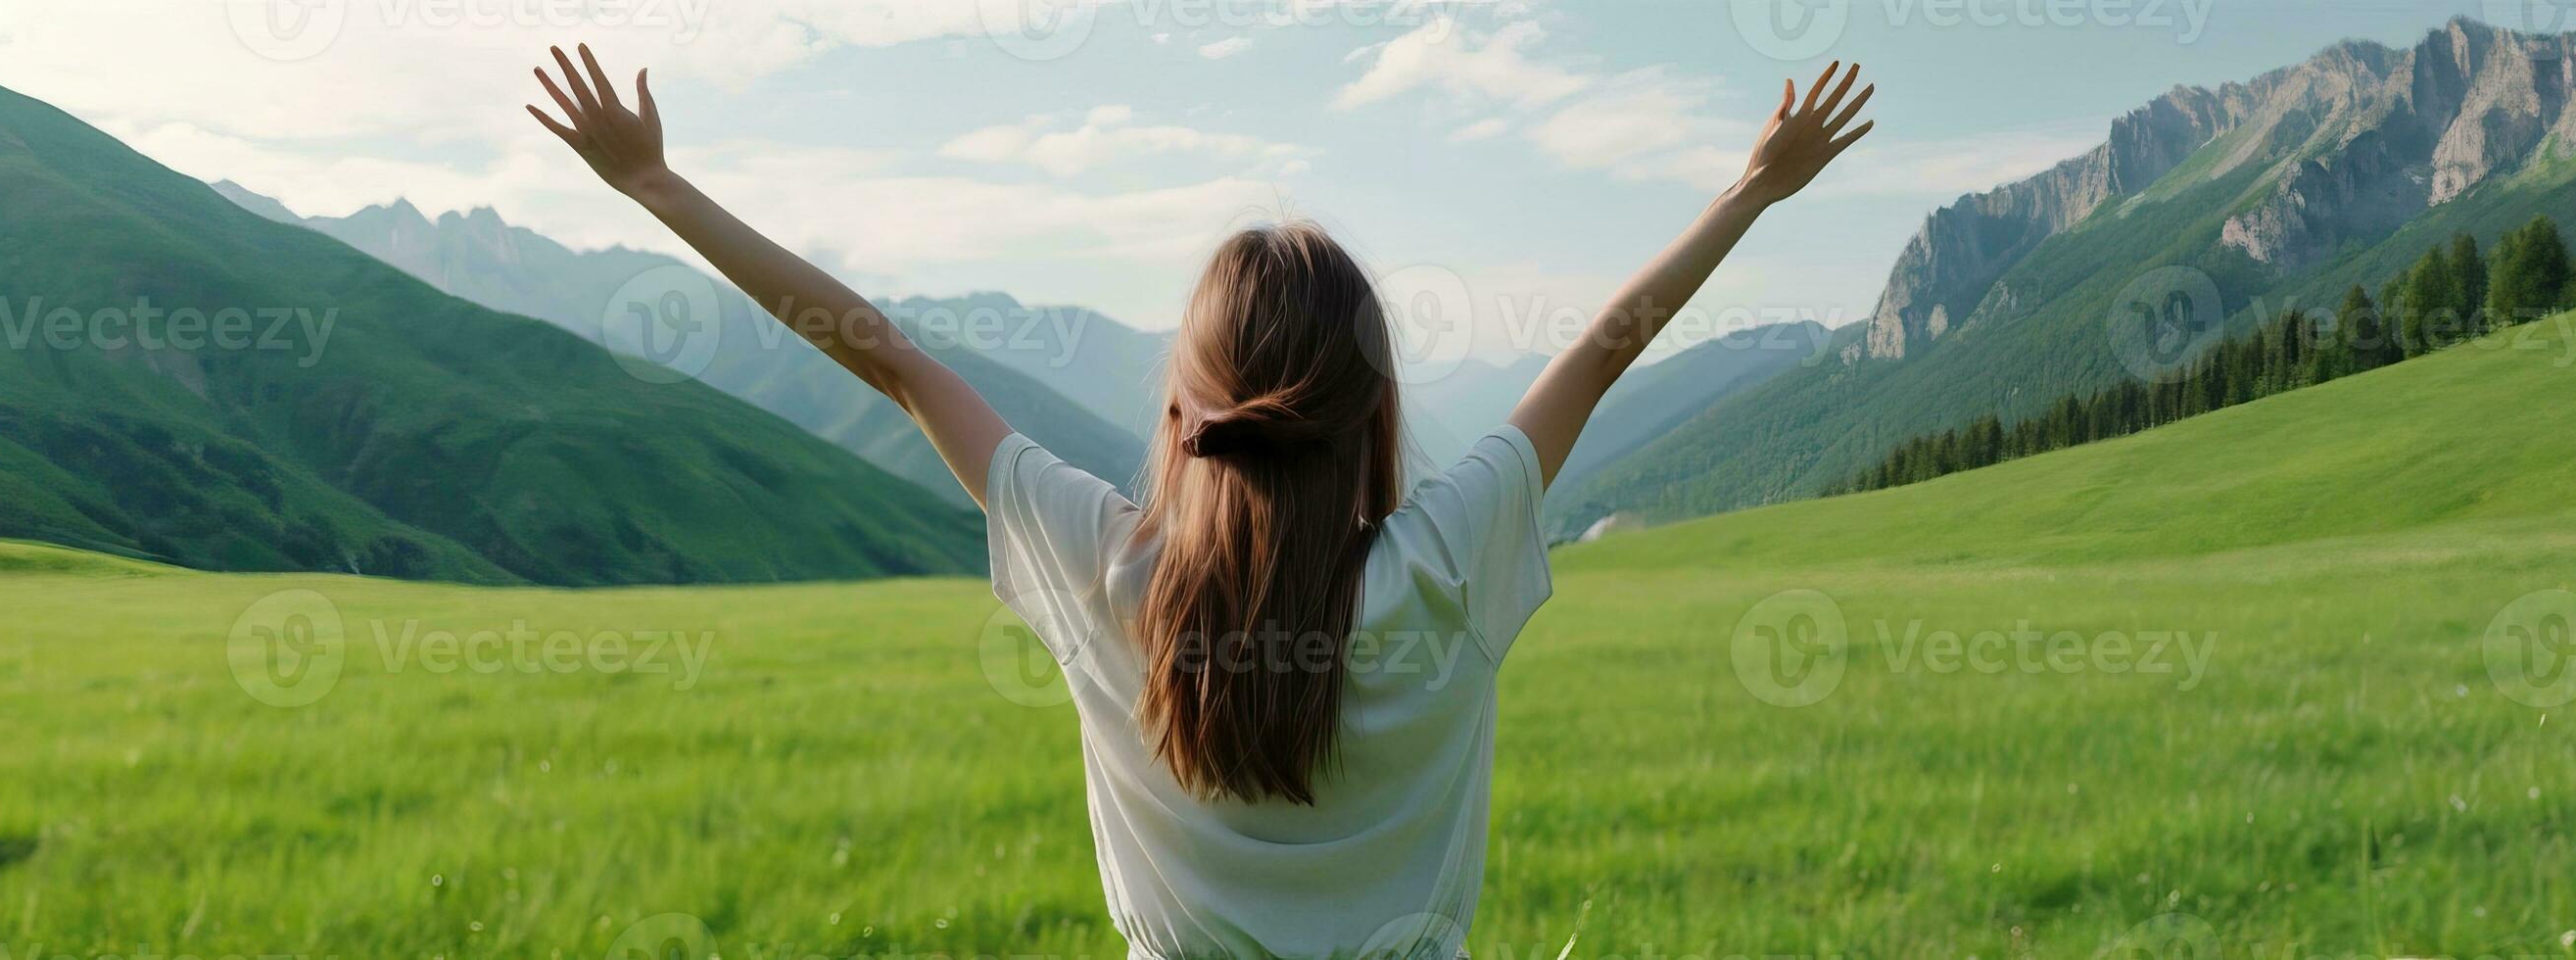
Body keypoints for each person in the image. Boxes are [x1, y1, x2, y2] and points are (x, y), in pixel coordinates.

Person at [527, 45, 1874, 959]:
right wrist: (1753, 189)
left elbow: (888, 357)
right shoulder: (1446, 566)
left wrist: (652, 183)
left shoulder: (1106, 571)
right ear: (1378, 418)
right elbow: (1603, 348)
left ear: (1186, 414)